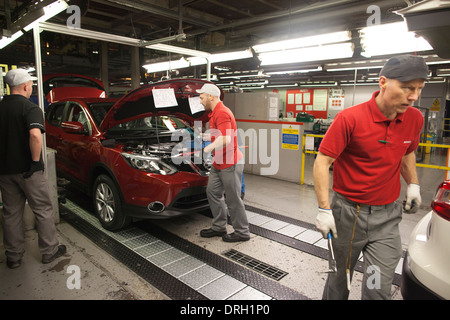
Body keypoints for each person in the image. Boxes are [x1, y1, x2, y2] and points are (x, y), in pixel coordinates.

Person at [313, 54, 427, 300]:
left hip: (387, 219)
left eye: (419, 89)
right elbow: (323, 161)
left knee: (377, 289)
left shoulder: (414, 118)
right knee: (339, 281)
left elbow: (407, 152)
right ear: (383, 82)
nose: (414, 96)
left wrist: (413, 184)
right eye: (408, 87)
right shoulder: (350, 118)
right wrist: (324, 209)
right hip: (348, 216)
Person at [0, 68, 66, 269]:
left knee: (11, 213)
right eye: (31, 85)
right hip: (29, 171)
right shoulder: (30, 108)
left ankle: (13, 256)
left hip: (5, 172)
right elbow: (35, 135)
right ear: (26, 86)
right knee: (43, 209)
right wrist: (35, 161)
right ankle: (49, 251)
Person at [197, 83, 250, 242]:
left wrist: (207, 149)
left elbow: (226, 139)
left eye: (201, 97)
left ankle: (242, 232)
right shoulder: (214, 114)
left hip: (230, 163)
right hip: (218, 162)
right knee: (212, 192)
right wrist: (207, 137)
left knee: (233, 199)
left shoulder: (222, 113)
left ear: (210, 97)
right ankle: (219, 226)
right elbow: (220, 135)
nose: (200, 101)